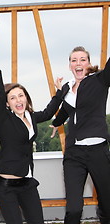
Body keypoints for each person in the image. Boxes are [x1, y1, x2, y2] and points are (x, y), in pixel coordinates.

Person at [0, 46, 63, 224]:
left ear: (26, 98)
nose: (18, 100)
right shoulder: (4, 120)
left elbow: (49, 112)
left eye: (21, 95)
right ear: (7, 104)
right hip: (6, 187)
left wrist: (59, 93)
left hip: (27, 182)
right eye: (12, 98)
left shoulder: (31, 117)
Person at [50, 46, 110, 224]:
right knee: (74, 209)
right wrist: (56, 122)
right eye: (74, 60)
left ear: (89, 64)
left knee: (107, 204)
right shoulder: (67, 87)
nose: (78, 63)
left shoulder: (99, 80)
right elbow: (67, 109)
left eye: (83, 59)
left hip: (98, 151)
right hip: (74, 154)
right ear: (69, 65)